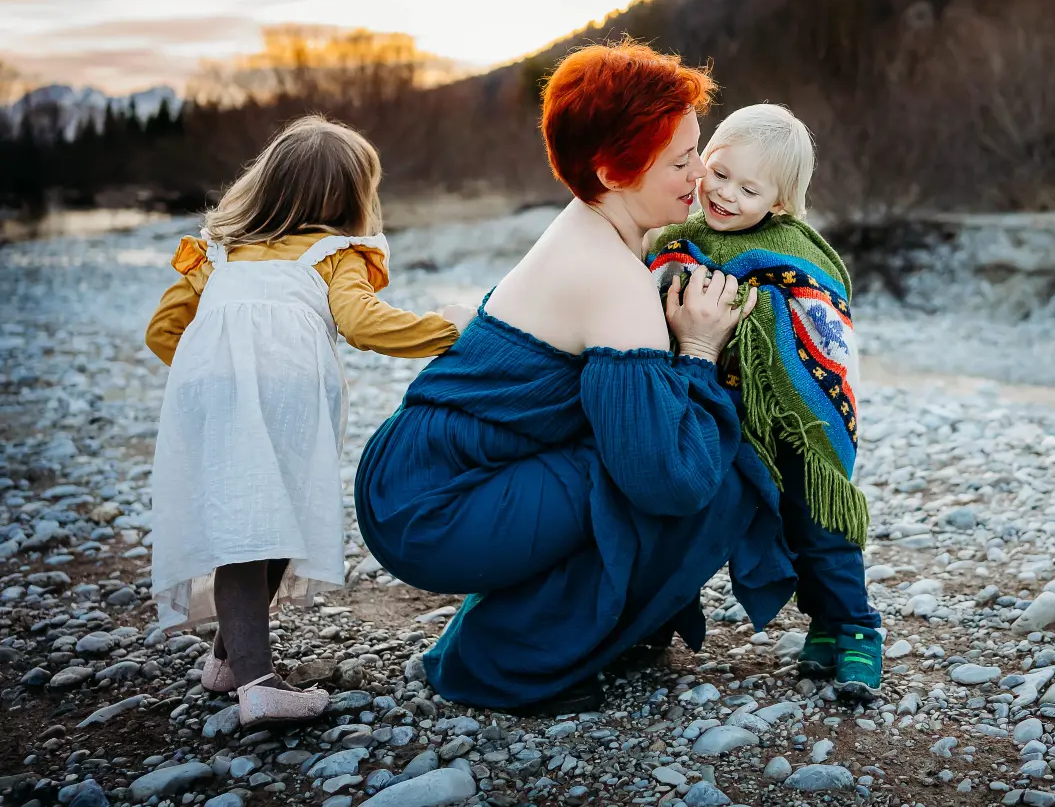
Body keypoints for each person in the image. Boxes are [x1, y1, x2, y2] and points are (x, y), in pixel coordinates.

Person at [354, 41, 797, 714]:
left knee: (654, 448)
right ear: (614, 170)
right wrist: (701, 351)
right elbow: (666, 479)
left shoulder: (591, 227)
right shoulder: (613, 282)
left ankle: (603, 626)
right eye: (681, 160)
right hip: (432, 508)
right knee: (712, 470)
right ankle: (500, 663)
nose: (701, 173)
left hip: (419, 478)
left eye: (695, 151)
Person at [144, 115, 466, 726]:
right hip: (286, 398)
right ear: (352, 197)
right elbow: (364, 324)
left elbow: (163, 332)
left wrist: (212, 377)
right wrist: (451, 329)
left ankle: (227, 662)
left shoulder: (215, 251)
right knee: (260, 528)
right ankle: (259, 687)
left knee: (257, 521)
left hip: (211, 394)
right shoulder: (334, 252)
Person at [647, 104, 882, 699]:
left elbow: (823, 332)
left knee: (817, 525)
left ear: (777, 203)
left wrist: (748, 315)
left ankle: (850, 628)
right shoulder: (675, 240)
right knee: (679, 517)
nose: (725, 194)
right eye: (719, 174)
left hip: (791, 424)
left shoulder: (795, 251)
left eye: (749, 189)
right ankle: (647, 625)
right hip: (706, 412)